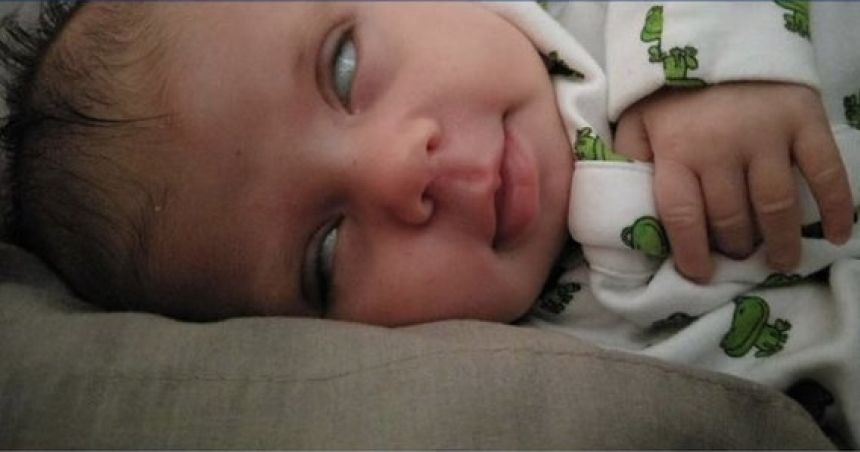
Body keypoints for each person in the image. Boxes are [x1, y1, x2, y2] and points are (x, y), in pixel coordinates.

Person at [1, 0, 858, 445]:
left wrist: (706, 65)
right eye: (325, 255)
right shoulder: (575, 372)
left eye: (343, 67)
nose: (396, 171)